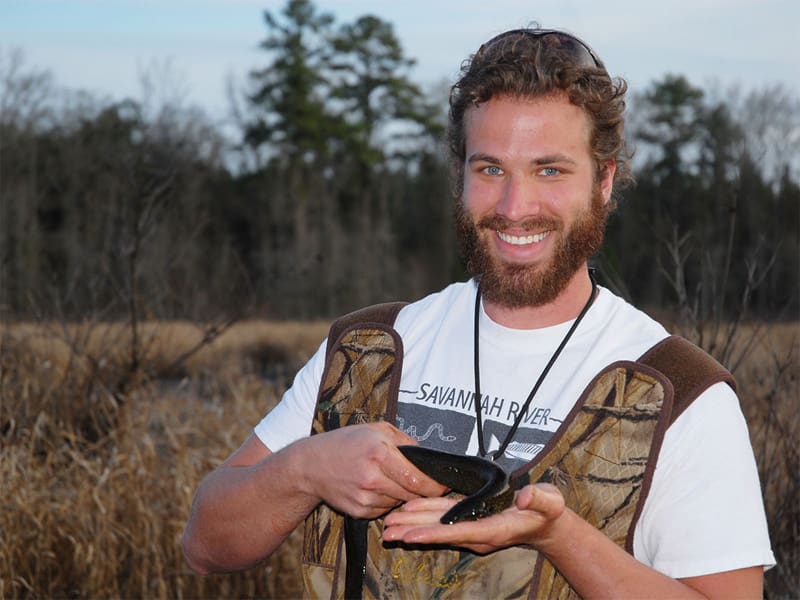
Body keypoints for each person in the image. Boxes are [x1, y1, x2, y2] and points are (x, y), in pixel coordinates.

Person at [182, 26, 774, 598]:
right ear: (459, 178)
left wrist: (558, 537)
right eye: (490, 169)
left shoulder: (681, 392)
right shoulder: (367, 348)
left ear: (603, 181)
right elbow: (205, 546)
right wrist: (304, 470)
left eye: (550, 170)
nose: (515, 207)